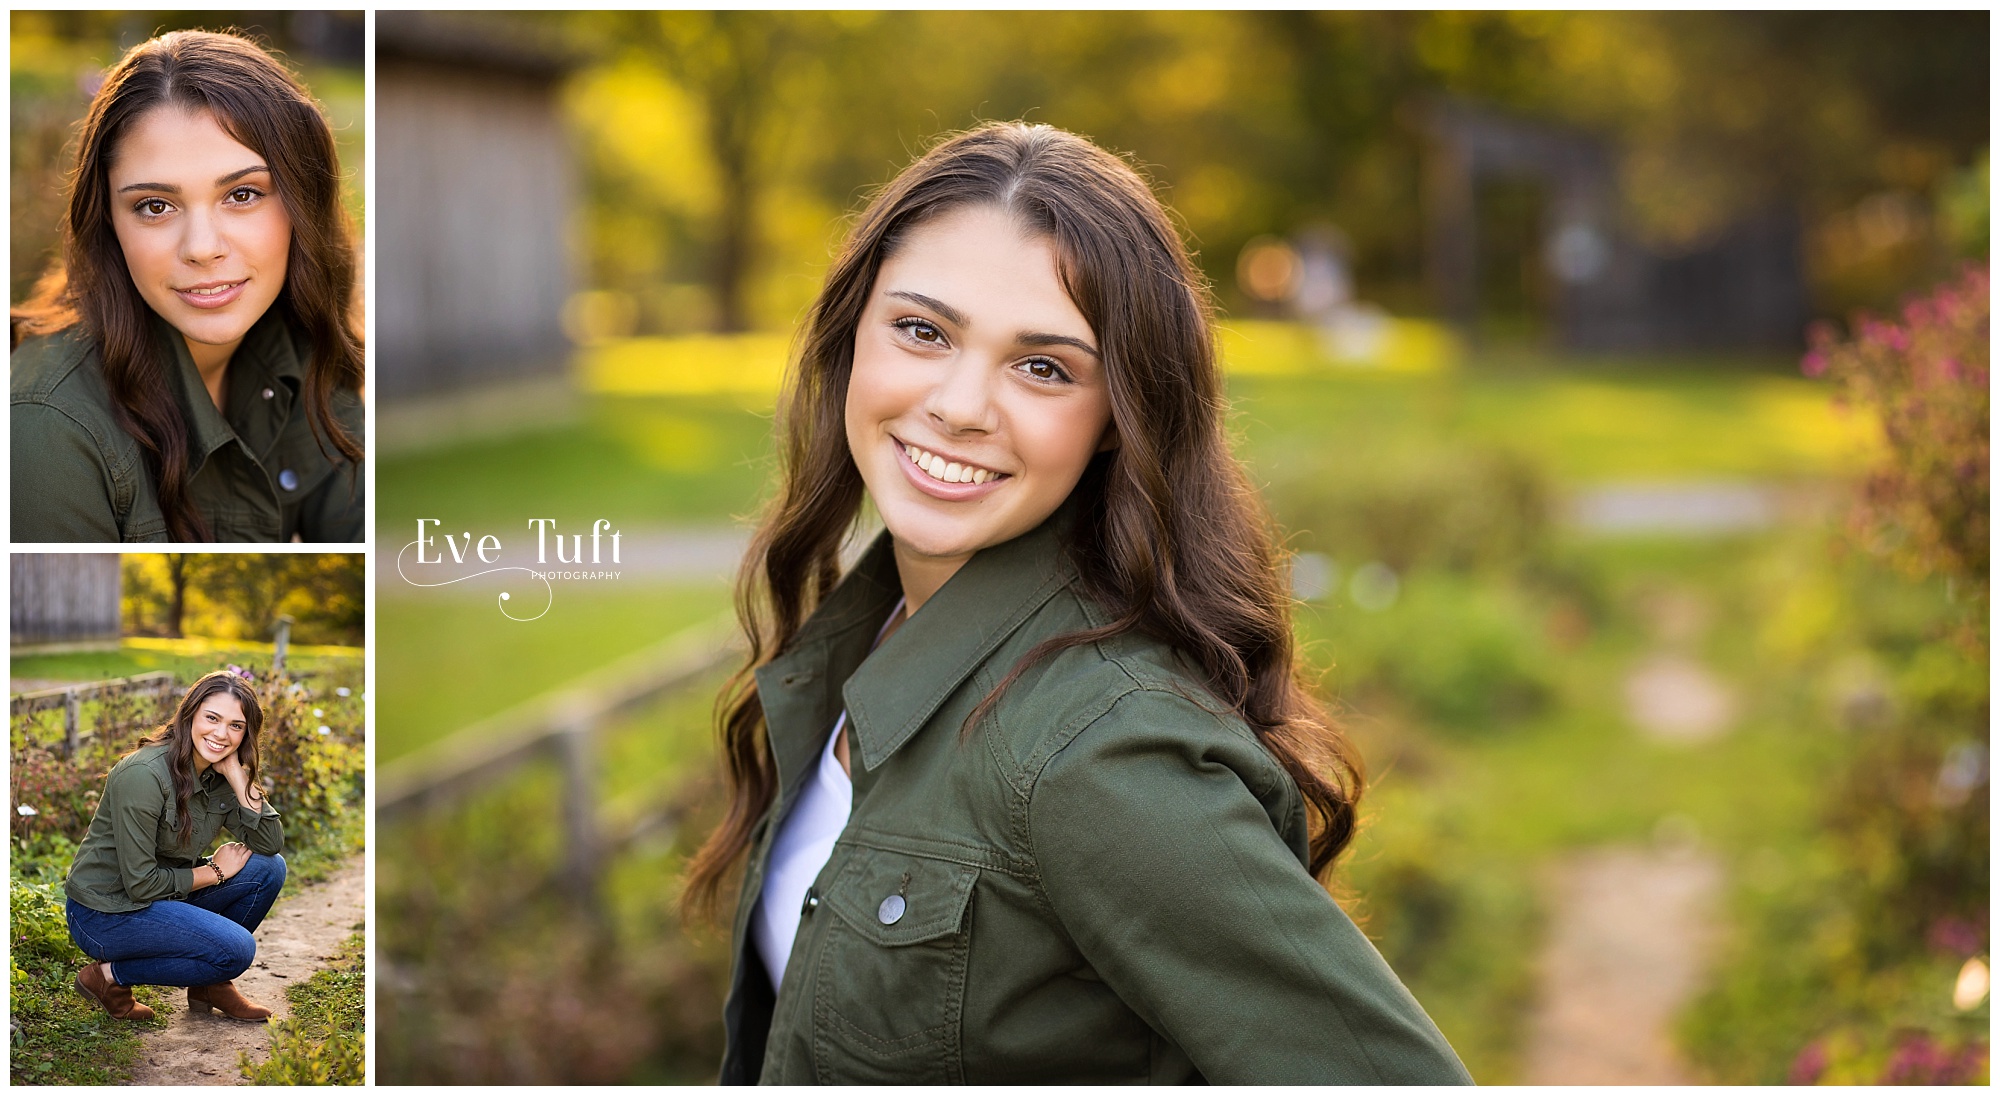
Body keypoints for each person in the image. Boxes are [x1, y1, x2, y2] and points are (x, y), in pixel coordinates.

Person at [685, 122, 1473, 1084]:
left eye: (1043, 367)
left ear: (1117, 420)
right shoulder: (869, 629)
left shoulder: (1098, 751)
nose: (962, 404)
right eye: (923, 331)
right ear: (852, 335)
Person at [12, 29, 364, 543]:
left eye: (243, 194)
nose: (201, 247)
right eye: (155, 206)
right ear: (108, 220)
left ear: (301, 202)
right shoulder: (45, 431)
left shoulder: (308, 346)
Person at [65, 670, 286, 1022]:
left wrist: (240, 779)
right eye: (212, 718)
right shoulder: (143, 774)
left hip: (163, 894)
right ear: (190, 714)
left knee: (268, 868)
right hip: (106, 912)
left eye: (235, 726)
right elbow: (140, 884)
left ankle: (210, 986)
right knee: (236, 950)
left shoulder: (218, 773)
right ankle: (108, 977)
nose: (220, 734)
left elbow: (269, 843)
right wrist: (214, 872)